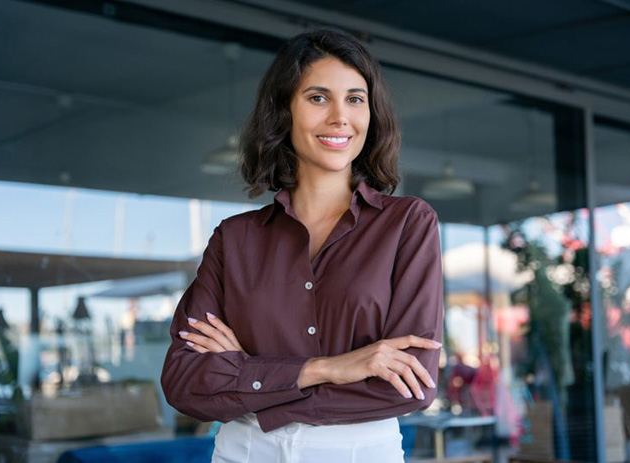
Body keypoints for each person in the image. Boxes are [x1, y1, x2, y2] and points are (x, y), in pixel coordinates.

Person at [161, 29, 444, 463]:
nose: (339, 117)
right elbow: (184, 381)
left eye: (355, 99)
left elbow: (412, 384)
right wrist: (328, 368)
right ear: (283, 111)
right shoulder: (235, 239)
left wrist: (246, 377)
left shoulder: (407, 224)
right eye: (317, 98)